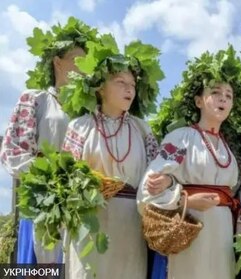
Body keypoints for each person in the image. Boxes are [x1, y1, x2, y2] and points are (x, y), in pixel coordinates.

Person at [137, 48, 241, 279]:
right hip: (191, 227)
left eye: (229, 95)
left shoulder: (228, 148)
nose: (223, 99)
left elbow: (237, 194)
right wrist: (185, 200)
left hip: (223, 233)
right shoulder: (181, 138)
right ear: (198, 101)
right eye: (216, 92)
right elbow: (148, 190)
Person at [0, 17, 101, 264]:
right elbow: (13, 150)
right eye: (77, 60)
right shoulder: (36, 99)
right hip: (43, 200)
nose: (83, 68)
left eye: (87, 63)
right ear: (58, 62)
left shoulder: (91, 111)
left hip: (81, 204)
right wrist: (49, 177)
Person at [61, 38, 163, 278]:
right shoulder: (80, 126)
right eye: (121, 82)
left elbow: (158, 169)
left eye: (133, 85)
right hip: (90, 218)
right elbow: (65, 176)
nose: (130, 89)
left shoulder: (142, 129)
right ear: (99, 88)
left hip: (131, 220)